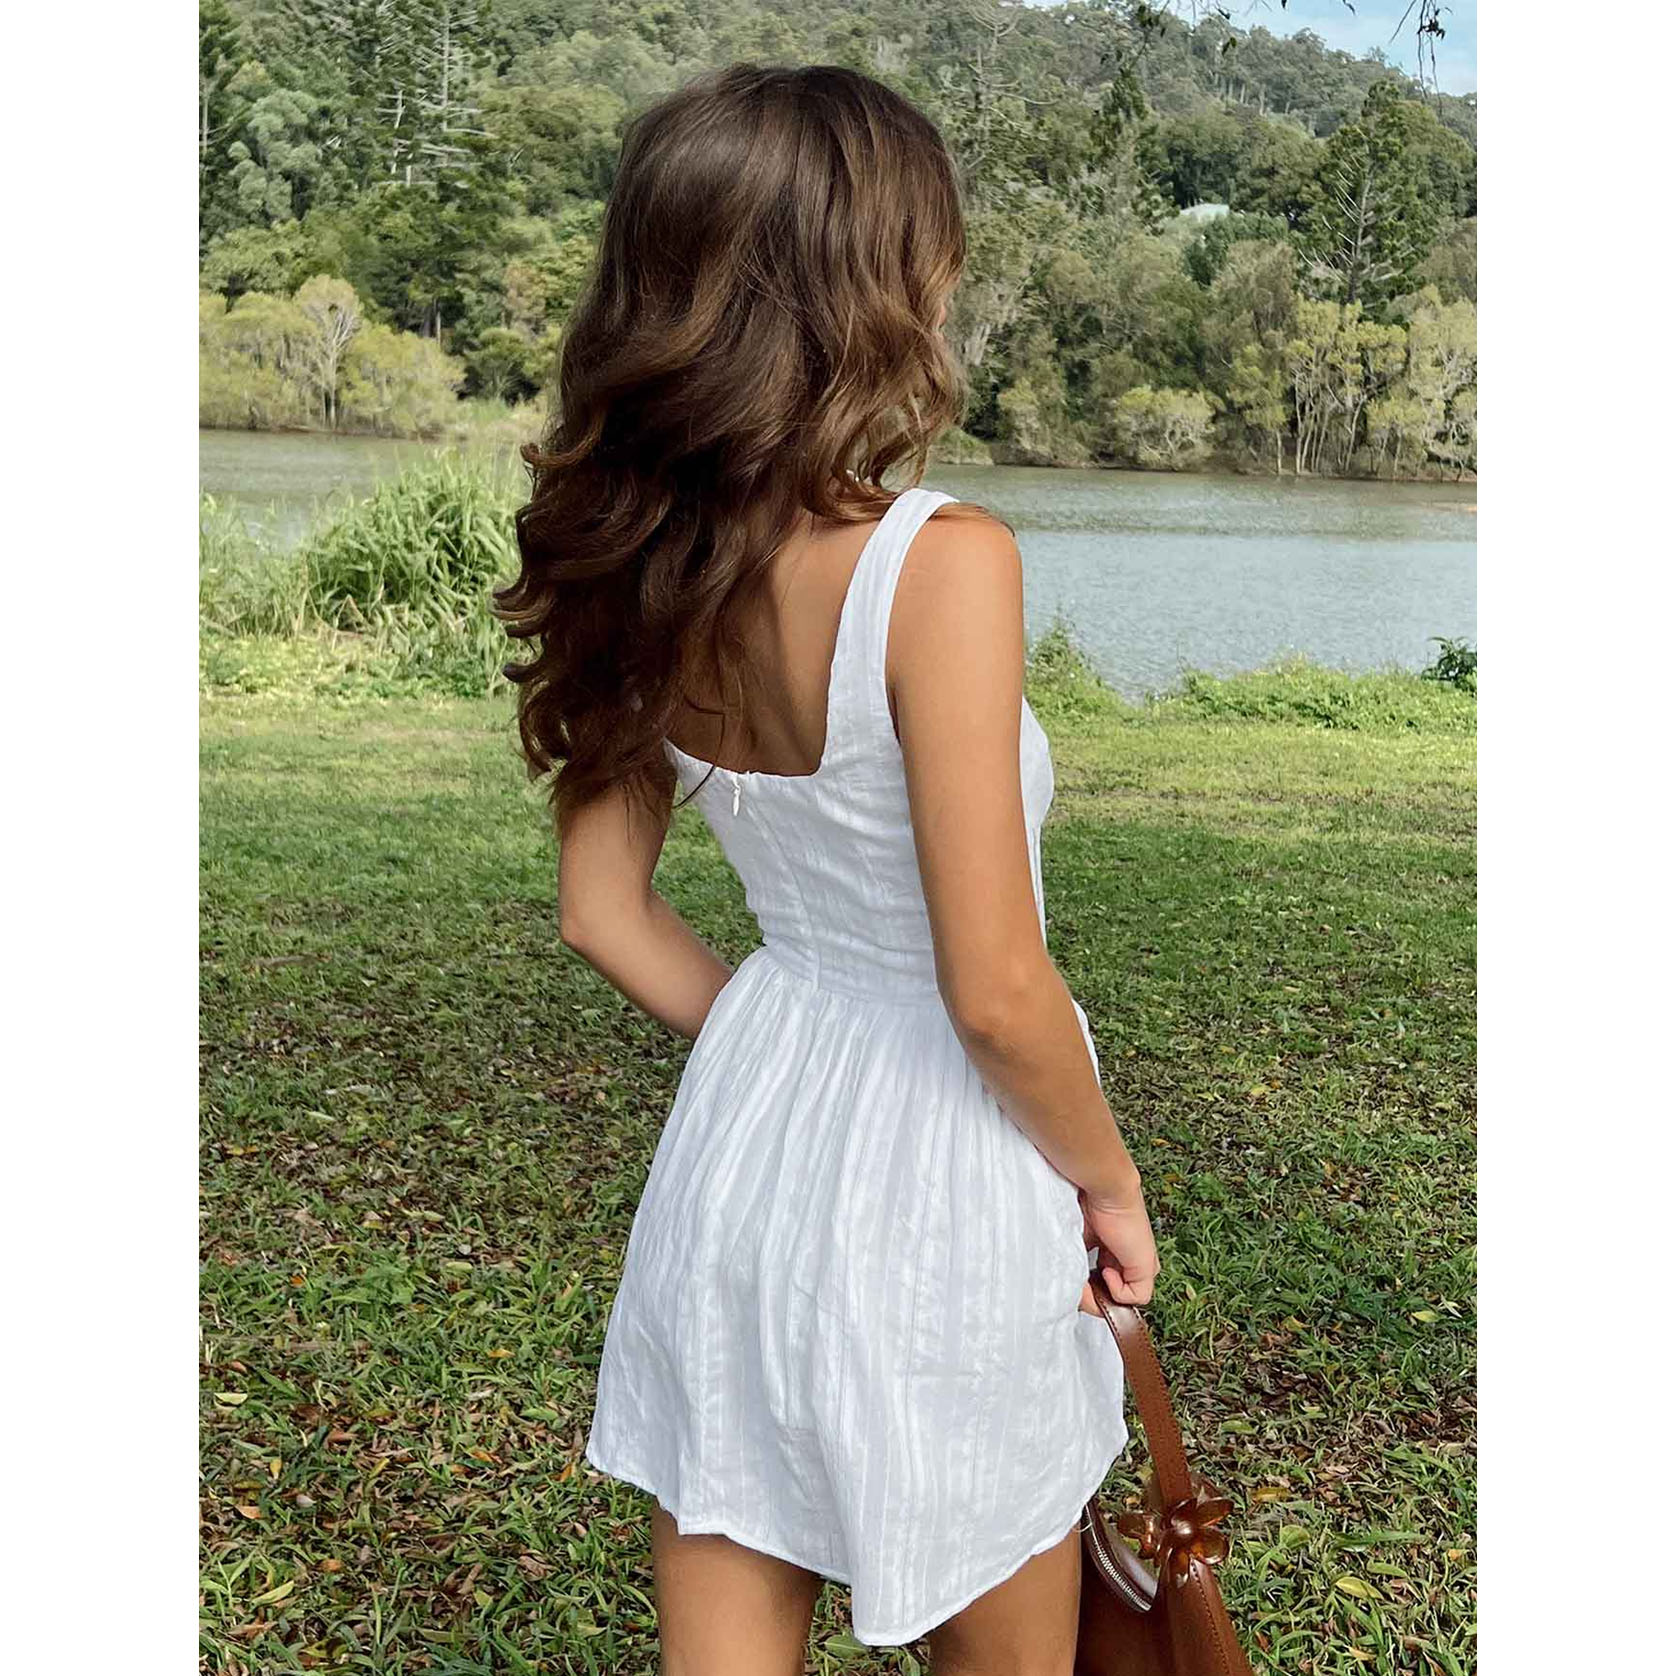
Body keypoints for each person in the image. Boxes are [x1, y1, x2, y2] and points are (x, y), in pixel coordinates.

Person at [496, 63, 1161, 1676]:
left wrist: (784, 1033)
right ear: (869, 283)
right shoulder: (941, 562)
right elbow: (994, 991)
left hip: (744, 1152)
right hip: (957, 1172)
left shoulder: (638, 559)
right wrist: (1111, 1185)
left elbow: (602, 913)